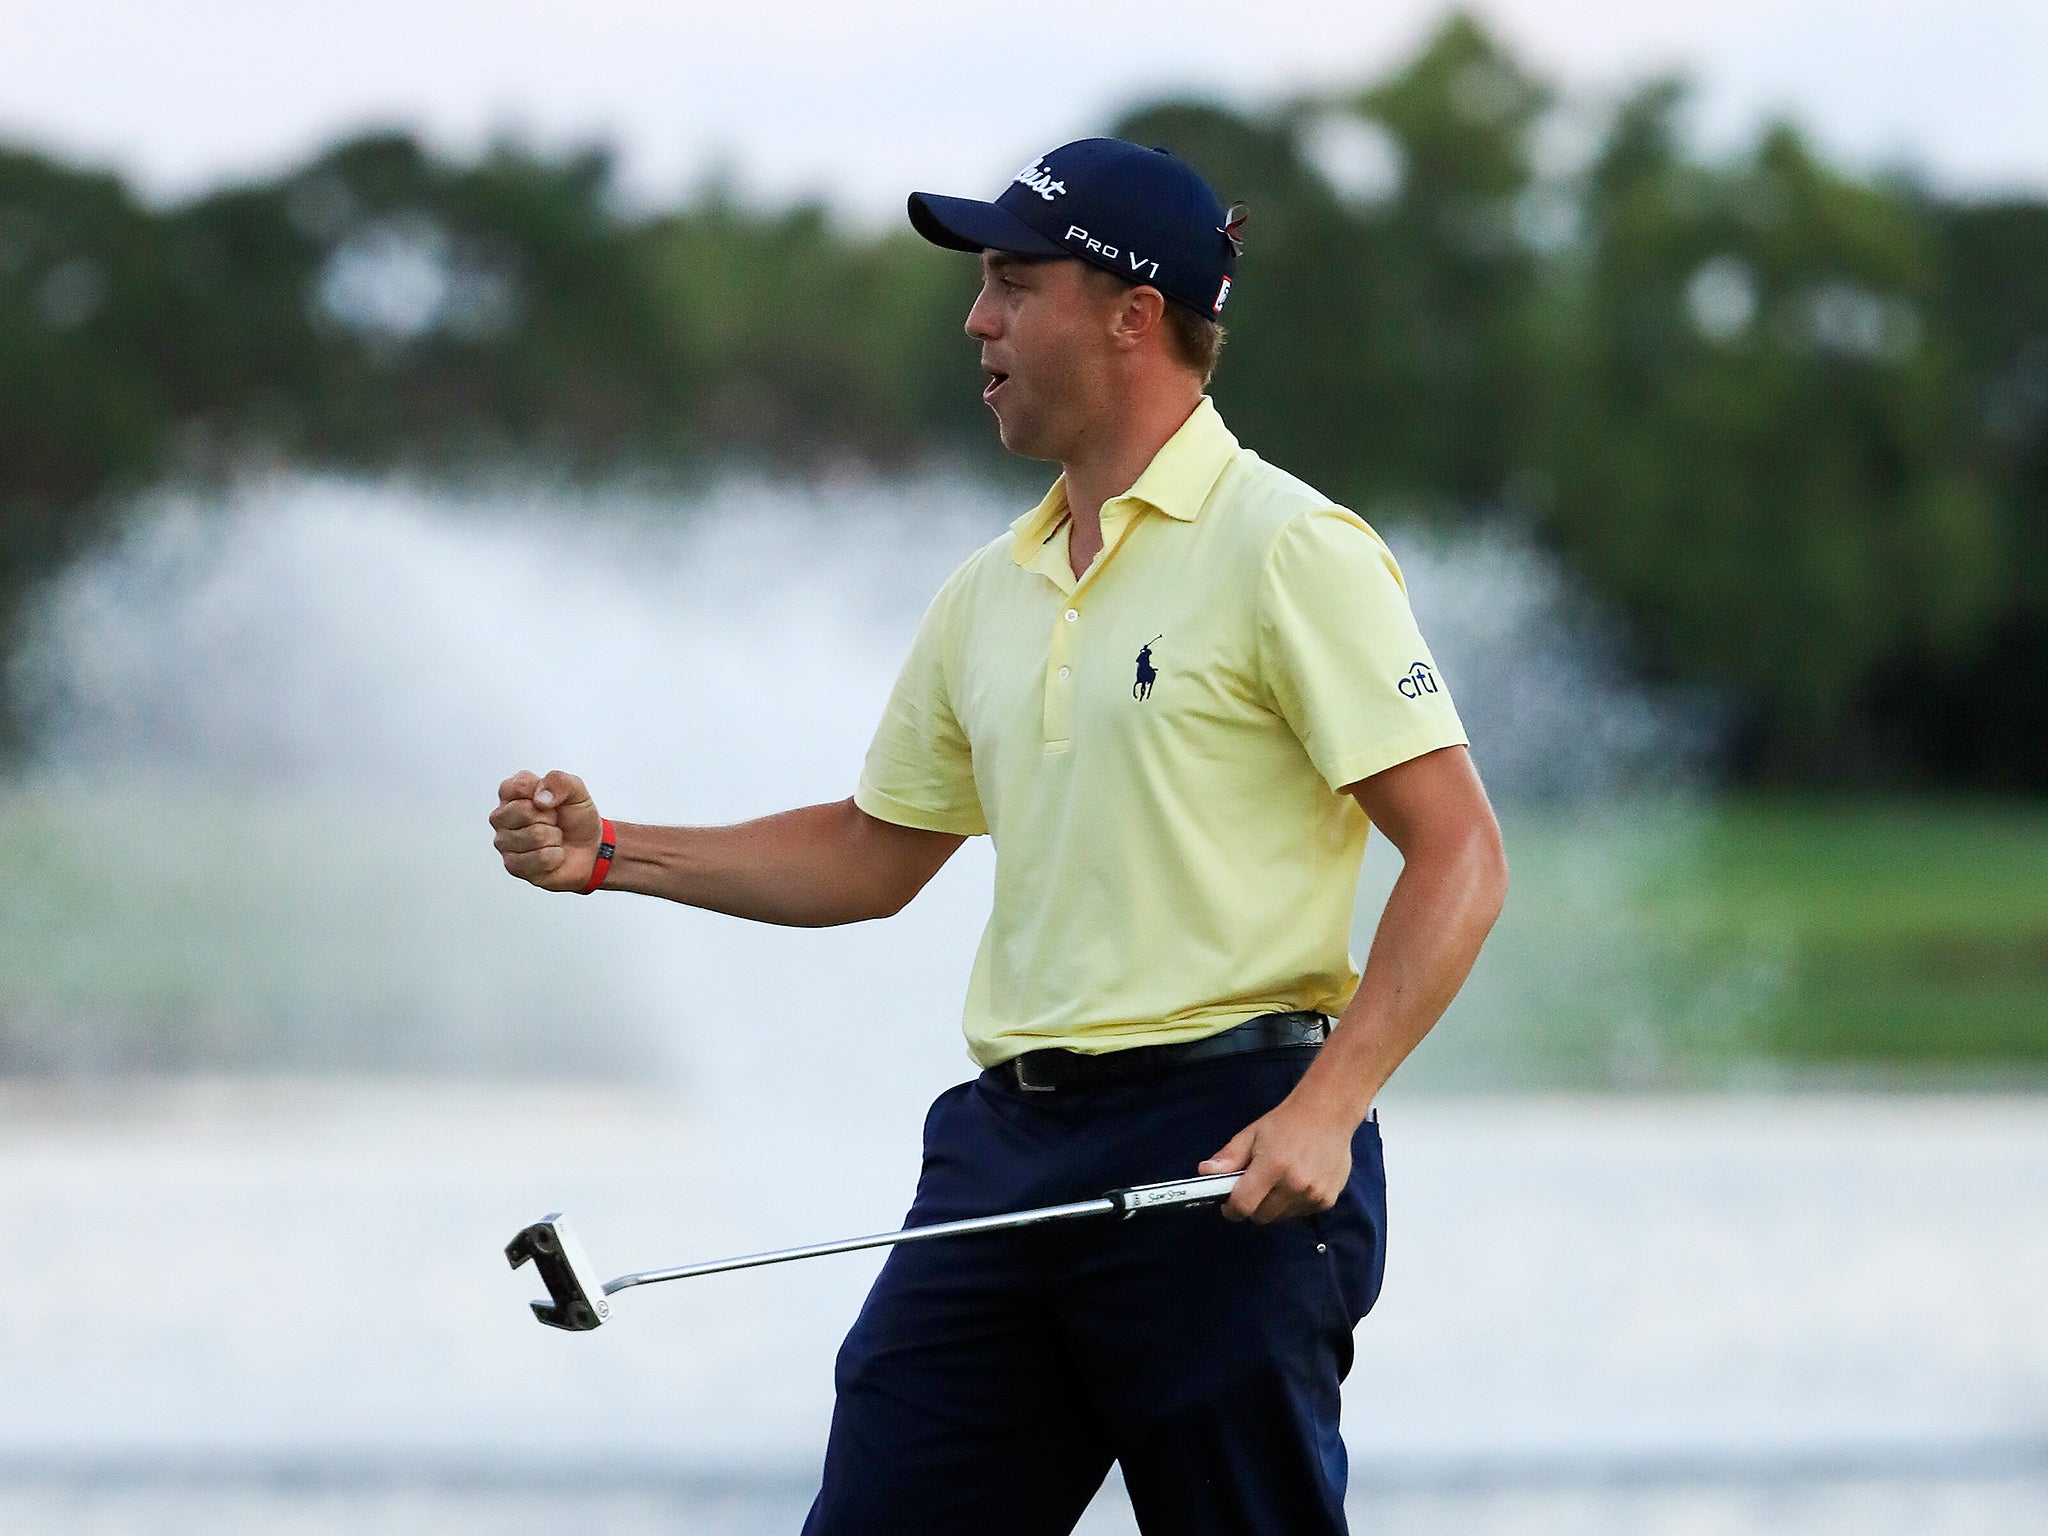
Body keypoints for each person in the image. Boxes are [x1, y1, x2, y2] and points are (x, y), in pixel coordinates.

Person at [491, 136, 1508, 1536]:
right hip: (1005, 1157)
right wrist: (612, 853)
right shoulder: (993, 587)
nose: (978, 320)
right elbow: (872, 852)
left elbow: (1461, 853)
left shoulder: (1290, 549)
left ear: (1131, 317)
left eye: (1012, 282)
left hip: (1227, 1158)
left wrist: (1327, 1109)